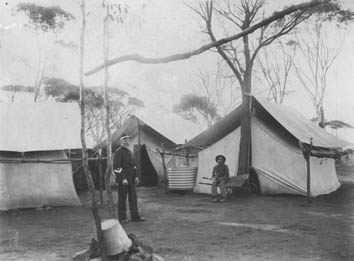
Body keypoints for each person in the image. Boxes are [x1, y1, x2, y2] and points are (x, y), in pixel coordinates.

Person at [113, 134, 145, 223]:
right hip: (123, 181)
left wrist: (135, 176)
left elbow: (133, 166)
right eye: (125, 140)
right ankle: (122, 218)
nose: (127, 142)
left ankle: (135, 217)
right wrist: (122, 178)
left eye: (128, 140)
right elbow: (116, 167)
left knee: (133, 199)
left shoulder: (130, 152)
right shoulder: (118, 152)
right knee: (122, 200)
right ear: (121, 142)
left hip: (131, 180)